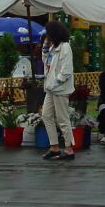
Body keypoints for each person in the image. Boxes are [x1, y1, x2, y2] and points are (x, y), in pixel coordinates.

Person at [40, 22, 75, 161]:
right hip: (51, 88)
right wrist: (45, 45)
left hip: (59, 89)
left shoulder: (65, 47)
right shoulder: (53, 47)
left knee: (62, 119)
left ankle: (68, 149)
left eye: (48, 33)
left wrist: (56, 82)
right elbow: (45, 61)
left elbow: (66, 70)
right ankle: (54, 146)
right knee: (46, 115)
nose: (46, 35)